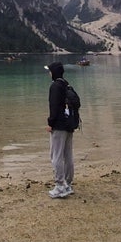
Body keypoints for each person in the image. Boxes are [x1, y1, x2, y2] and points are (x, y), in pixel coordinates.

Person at [44, 61, 75, 199]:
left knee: (55, 155)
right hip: (69, 125)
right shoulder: (66, 84)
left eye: (50, 70)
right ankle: (67, 184)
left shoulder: (55, 86)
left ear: (54, 72)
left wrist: (50, 123)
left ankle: (60, 186)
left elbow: (54, 107)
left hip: (59, 126)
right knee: (67, 155)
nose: (48, 73)